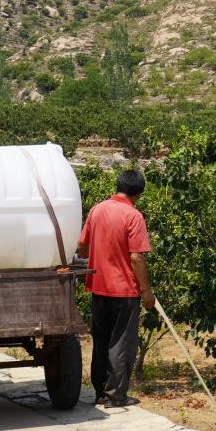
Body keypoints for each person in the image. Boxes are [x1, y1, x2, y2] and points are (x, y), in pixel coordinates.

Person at [76, 169, 155, 408]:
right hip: (124, 291)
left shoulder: (97, 210)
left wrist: (97, 254)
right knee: (121, 344)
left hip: (99, 287)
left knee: (101, 341)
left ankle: (100, 392)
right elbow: (137, 258)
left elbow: (82, 246)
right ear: (138, 193)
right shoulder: (134, 216)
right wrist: (147, 291)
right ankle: (115, 395)